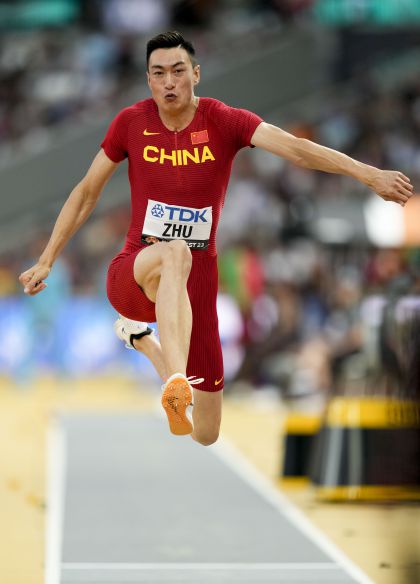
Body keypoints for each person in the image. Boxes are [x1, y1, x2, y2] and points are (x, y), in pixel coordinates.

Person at [19, 31, 414, 445]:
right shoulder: (131, 123)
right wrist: (48, 258)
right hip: (134, 275)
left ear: (196, 74)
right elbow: (86, 192)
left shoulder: (225, 121)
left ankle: (142, 340)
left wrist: (368, 174)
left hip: (196, 289)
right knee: (175, 251)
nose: (169, 82)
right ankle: (175, 382)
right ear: (148, 80)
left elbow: (297, 148)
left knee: (206, 433)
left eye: (177, 71)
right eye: (158, 74)